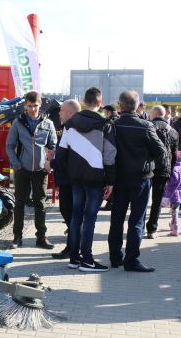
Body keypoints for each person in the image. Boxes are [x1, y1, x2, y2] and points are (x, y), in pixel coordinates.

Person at [57, 87, 116, 271]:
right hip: (95, 178)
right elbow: (109, 155)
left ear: (84, 101)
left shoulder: (69, 123)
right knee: (89, 218)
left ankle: (74, 258)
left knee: (76, 216)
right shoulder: (105, 124)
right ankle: (87, 260)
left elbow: (61, 153)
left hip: (75, 178)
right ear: (100, 103)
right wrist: (110, 181)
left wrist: (69, 172)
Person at [108, 90, 165, 272]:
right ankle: (131, 260)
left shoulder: (113, 125)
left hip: (118, 179)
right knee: (137, 220)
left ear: (120, 105)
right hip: (140, 179)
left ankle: (115, 258)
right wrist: (150, 165)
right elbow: (161, 151)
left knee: (116, 219)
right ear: (137, 105)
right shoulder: (145, 126)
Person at [6, 90, 57, 249]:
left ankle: (41, 237)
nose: (33, 109)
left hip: (41, 170)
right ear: (25, 106)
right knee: (19, 204)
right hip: (22, 170)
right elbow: (9, 145)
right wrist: (16, 164)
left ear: (40, 105)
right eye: (30, 106)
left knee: (40, 204)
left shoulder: (48, 124)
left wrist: (50, 162)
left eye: (35, 106)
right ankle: (17, 237)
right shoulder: (18, 122)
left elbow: (53, 145)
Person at [49, 99, 81, 259]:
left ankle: (73, 247)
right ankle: (73, 246)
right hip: (70, 178)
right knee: (70, 214)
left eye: (61, 111)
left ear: (69, 112)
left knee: (70, 213)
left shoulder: (72, 128)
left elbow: (67, 157)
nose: (59, 114)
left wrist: (51, 162)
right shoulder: (70, 127)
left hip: (70, 179)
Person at [145, 105, 179, 238]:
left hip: (148, 167)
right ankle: (152, 229)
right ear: (164, 115)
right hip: (164, 169)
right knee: (157, 200)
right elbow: (175, 155)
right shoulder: (173, 131)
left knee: (143, 199)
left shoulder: (147, 127)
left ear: (153, 114)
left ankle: (139, 226)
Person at [163, 149, 181, 237]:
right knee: (175, 210)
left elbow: (174, 181)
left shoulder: (174, 168)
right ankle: (173, 225)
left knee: (174, 211)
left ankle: (175, 228)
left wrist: (167, 181)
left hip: (174, 193)